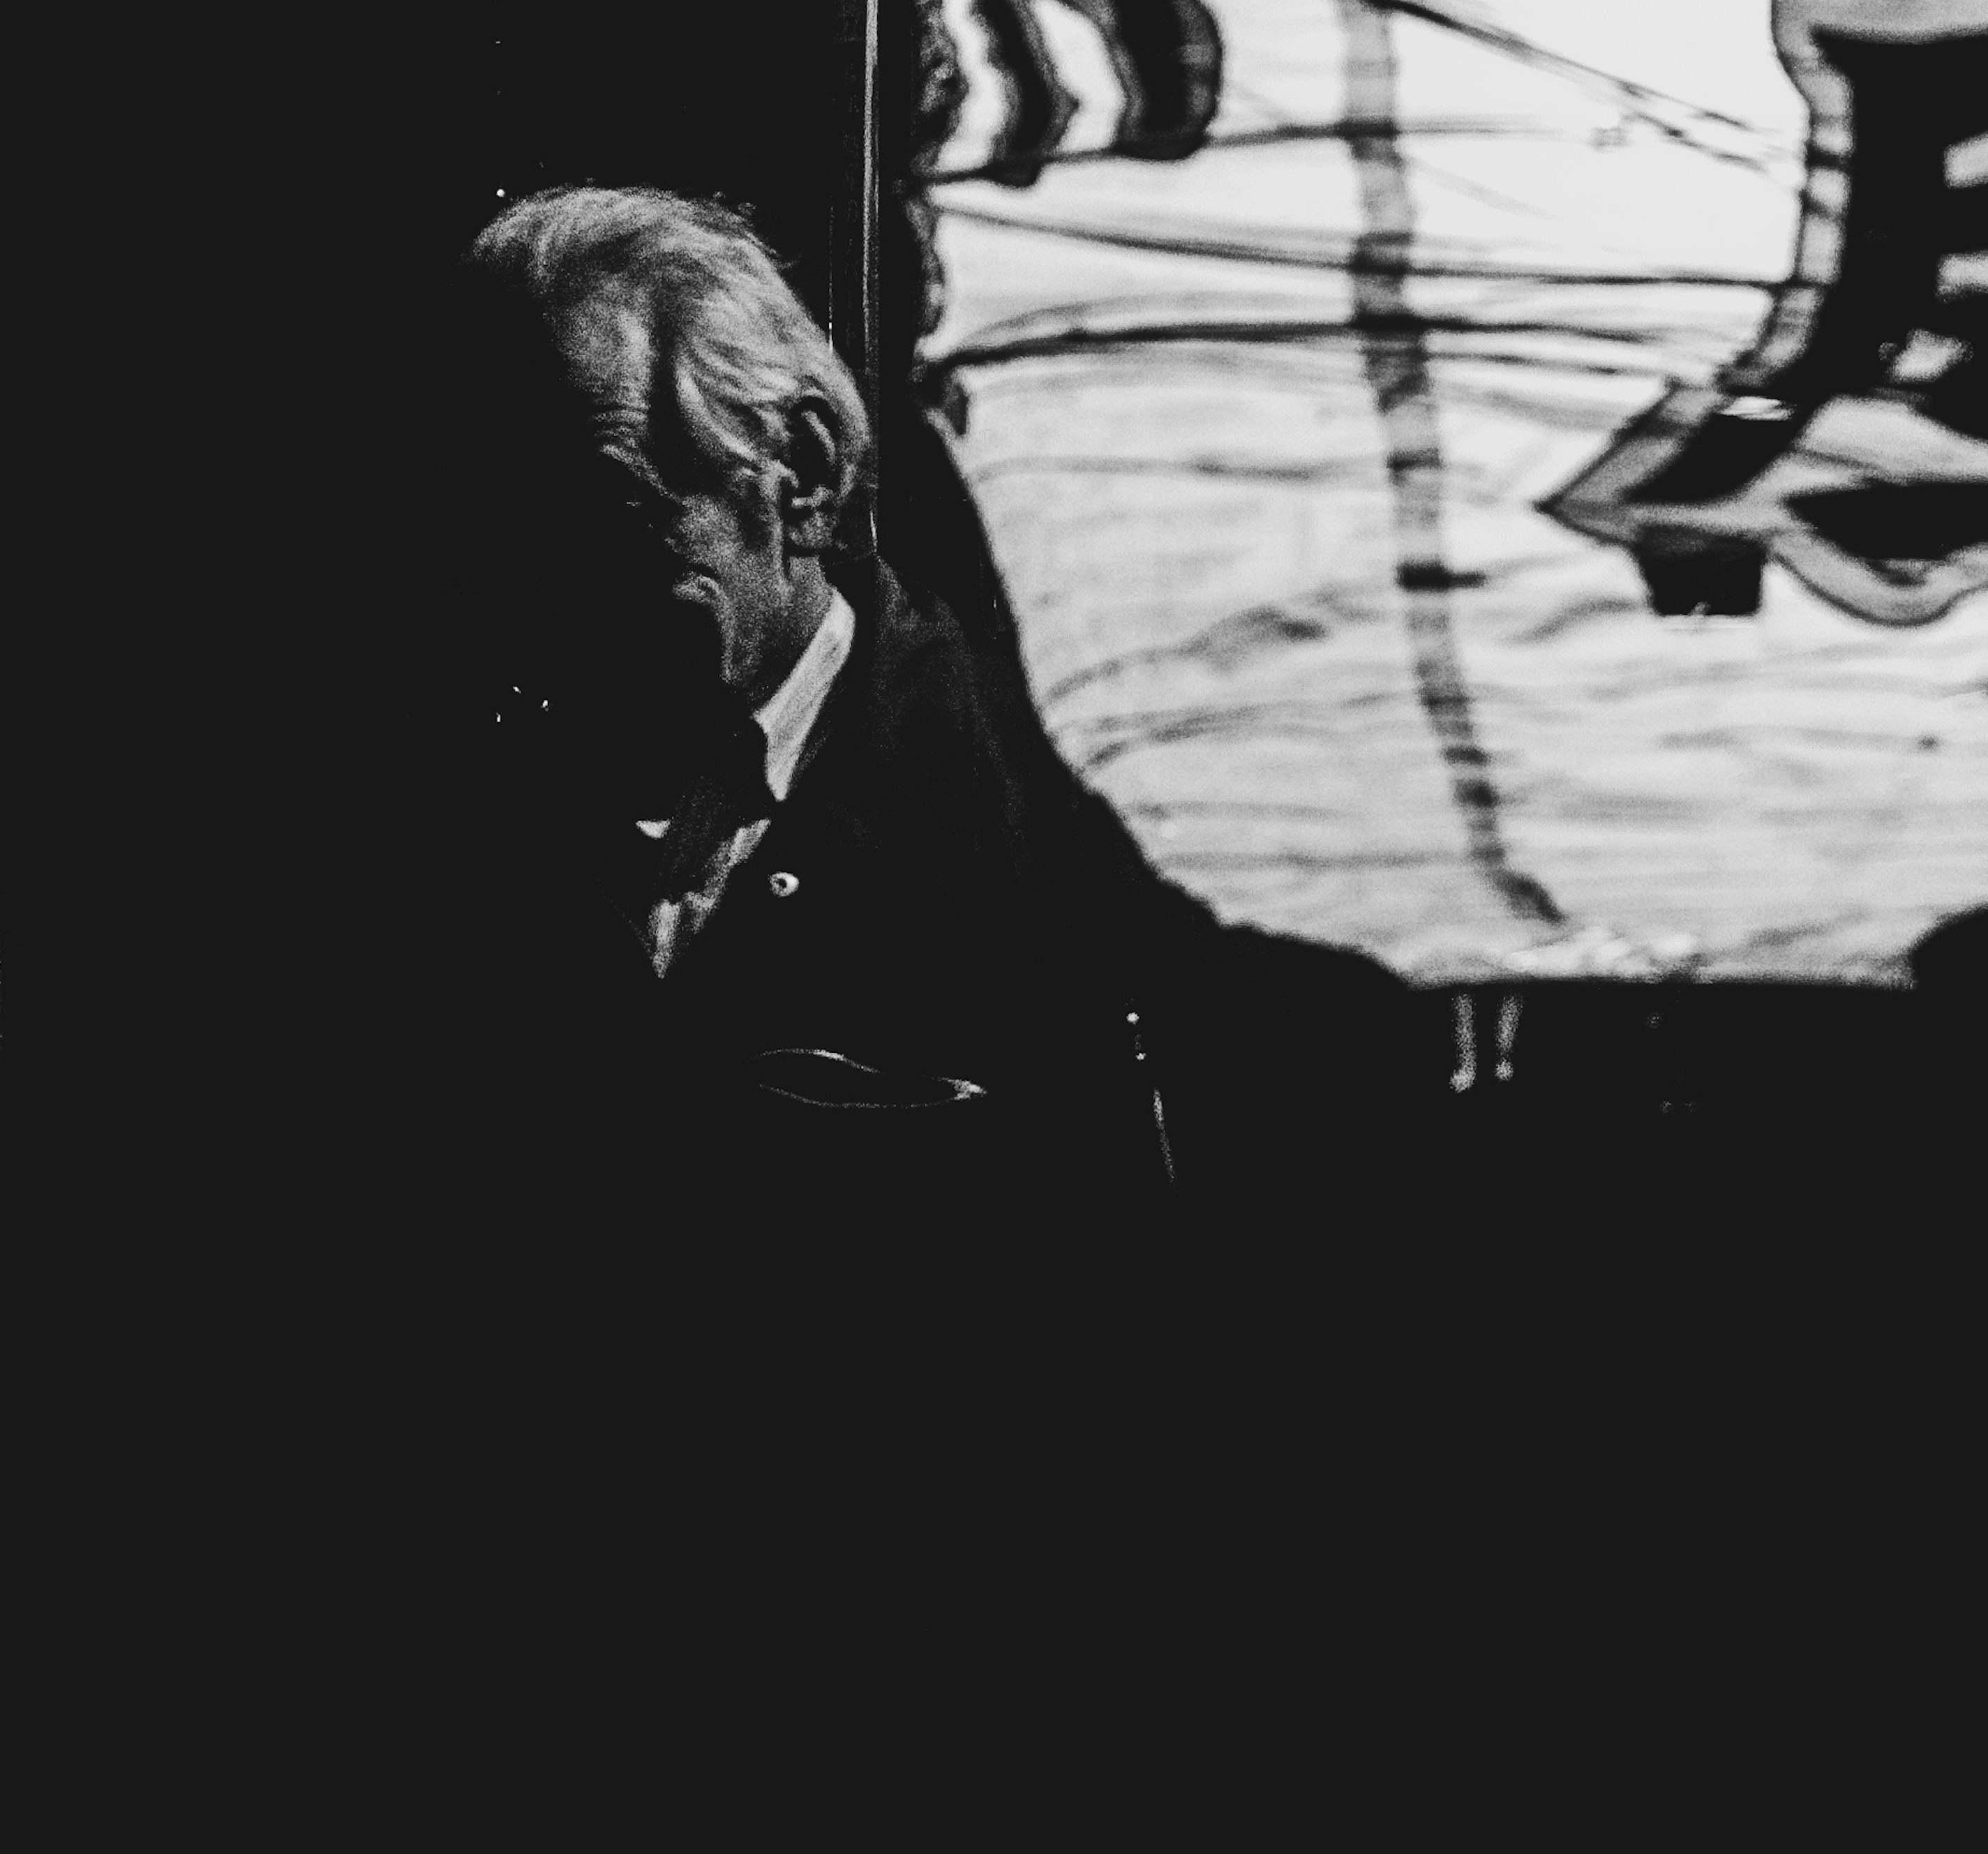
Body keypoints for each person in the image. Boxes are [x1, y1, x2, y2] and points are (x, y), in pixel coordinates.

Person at [452, 184, 1427, 1238]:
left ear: (806, 474)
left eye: (603, 511)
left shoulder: (1091, 814)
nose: (533, 590)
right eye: (495, 524)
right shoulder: (476, 809)